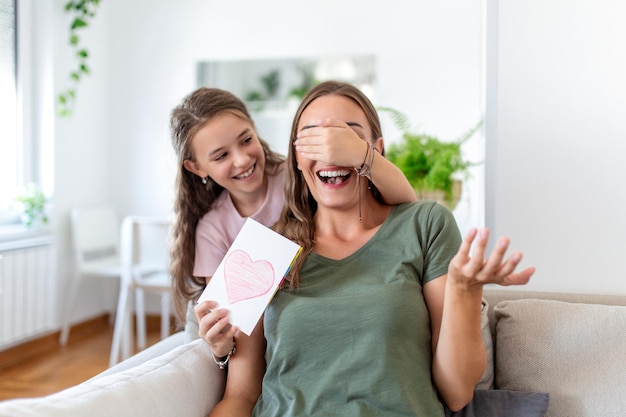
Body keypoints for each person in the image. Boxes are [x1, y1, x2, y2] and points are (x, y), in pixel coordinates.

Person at [195, 81, 535, 417]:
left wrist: (465, 288)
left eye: (347, 136)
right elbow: (239, 396)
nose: (332, 151)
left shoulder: (426, 224)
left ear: (376, 149)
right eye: (315, 139)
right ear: (297, 157)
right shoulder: (264, 249)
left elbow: (457, 392)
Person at [169, 87, 417, 361]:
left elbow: (406, 203)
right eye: (221, 156)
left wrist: (360, 153)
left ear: (254, 128)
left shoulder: (299, 174)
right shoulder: (211, 230)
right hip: (260, 328)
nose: (241, 160)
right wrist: (221, 347)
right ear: (196, 168)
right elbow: (229, 322)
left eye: (246, 140)